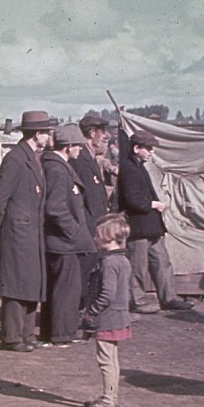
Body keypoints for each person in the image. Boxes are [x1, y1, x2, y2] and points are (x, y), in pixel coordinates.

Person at [0, 110, 55, 352]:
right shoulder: (16, 158)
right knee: (15, 286)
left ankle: (26, 334)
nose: (49, 136)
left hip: (30, 232)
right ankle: (12, 337)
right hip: (17, 232)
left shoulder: (32, 156)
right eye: (47, 132)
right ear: (38, 134)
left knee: (29, 283)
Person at [117, 131, 193, 313]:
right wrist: (155, 205)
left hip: (151, 227)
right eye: (148, 148)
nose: (151, 152)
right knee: (138, 267)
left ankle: (169, 298)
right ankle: (138, 302)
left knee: (162, 262)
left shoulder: (138, 167)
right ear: (137, 149)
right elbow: (132, 200)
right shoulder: (129, 169)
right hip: (138, 227)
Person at [40, 124, 96, 346]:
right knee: (66, 290)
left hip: (59, 241)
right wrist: (74, 231)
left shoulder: (55, 166)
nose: (80, 151)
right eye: (78, 147)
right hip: (63, 243)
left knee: (58, 289)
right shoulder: (57, 169)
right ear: (69, 146)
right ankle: (62, 335)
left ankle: (52, 333)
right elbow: (55, 208)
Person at [79, 213, 133, 407]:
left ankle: (109, 402)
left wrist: (90, 314)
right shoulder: (122, 260)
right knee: (112, 359)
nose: (94, 238)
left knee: (105, 360)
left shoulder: (109, 263)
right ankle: (110, 396)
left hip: (107, 318)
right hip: (118, 317)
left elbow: (106, 295)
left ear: (108, 237)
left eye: (98, 235)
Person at [72, 115, 112, 310]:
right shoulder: (81, 158)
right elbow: (87, 194)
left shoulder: (89, 156)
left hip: (94, 225)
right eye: (102, 131)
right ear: (92, 132)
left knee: (89, 271)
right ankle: (77, 311)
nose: (105, 136)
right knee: (83, 272)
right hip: (88, 227)